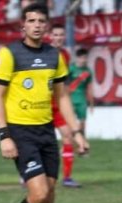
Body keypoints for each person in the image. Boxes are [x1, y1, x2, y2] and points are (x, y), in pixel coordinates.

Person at [0, 2, 89, 203]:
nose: (36, 25)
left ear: (46, 26)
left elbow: (62, 97)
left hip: (45, 132)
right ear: (22, 25)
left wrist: (76, 132)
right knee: (38, 193)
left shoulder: (53, 55)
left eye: (41, 21)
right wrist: (4, 136)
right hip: (20, 133)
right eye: (31, 20)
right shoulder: (9, 54)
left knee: (49, 197)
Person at [47, 23, 81, 187]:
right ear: (50, 36)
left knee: (67, 136)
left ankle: (67, 178)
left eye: (61, 35)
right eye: (55, 35)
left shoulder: (65, 55)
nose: (58, 38)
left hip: (58, 103)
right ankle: (28, 176)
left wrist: (67, 100)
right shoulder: (43, 52)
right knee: (40, 141)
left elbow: (63, 82)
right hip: (42, 104)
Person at [67, 46, 94, 185]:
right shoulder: (71, 69)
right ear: (77, 58)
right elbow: (65, 85)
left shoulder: (88, 72)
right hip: (71, 100)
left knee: (82, 124)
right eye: (81, 57)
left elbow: (90, 87)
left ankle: (82, 147)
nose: (83, 60)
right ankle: (71, 147)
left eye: (85, 57)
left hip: (82, 100)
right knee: (72, 126)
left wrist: (91, 102)